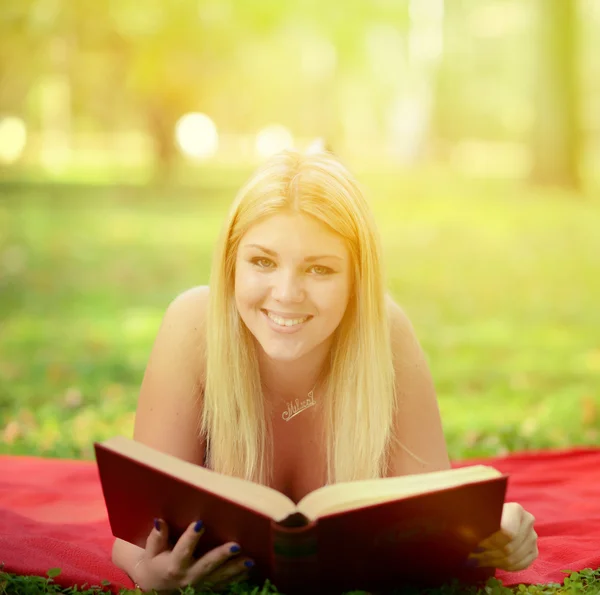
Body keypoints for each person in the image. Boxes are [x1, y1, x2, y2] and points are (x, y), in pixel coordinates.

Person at [111, 150, 538, 593]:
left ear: (357, 279)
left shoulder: (385, 334)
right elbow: (134, 534)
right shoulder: (193, 325)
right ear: (230, 265)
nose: (287, 293)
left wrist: (497, 532)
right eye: (262, 262)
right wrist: (148, 574)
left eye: (320, 269)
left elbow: (440, 521)